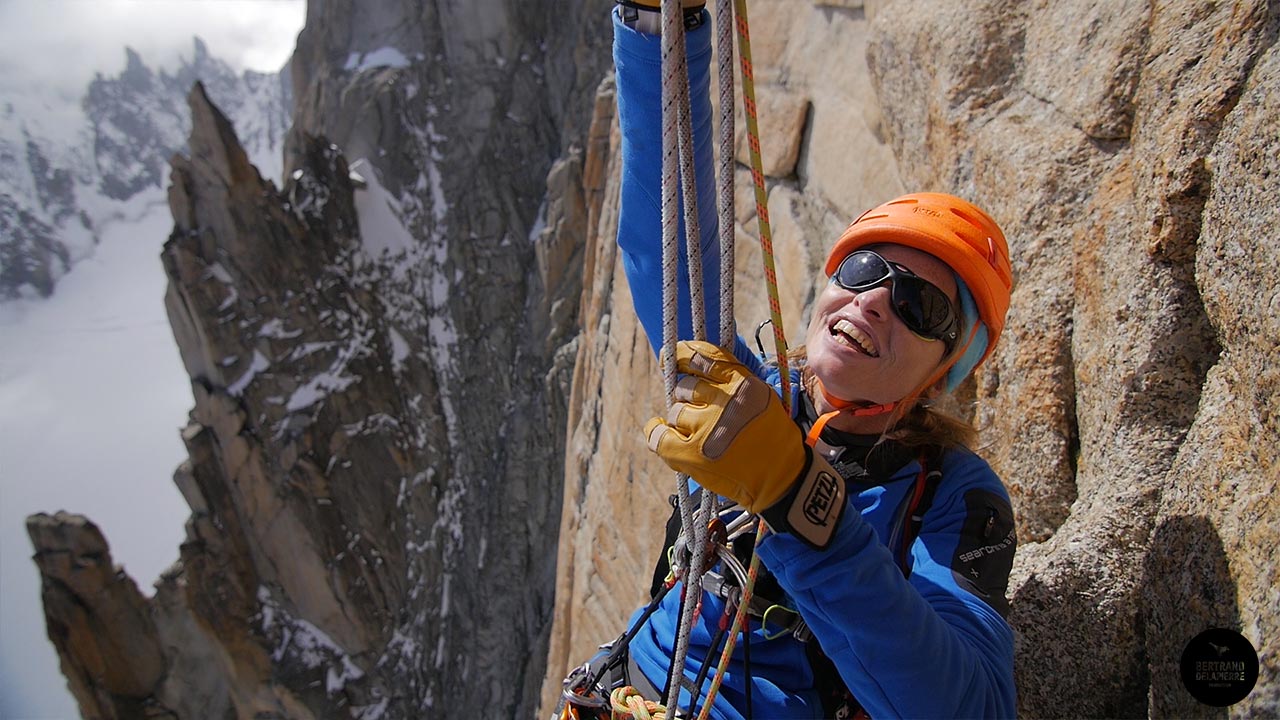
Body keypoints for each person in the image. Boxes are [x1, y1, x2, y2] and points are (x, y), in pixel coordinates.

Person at [566, 2, 1019, 718]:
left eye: (920, 308)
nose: (874, 303)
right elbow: (673, 261)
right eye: (865, 269)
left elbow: (970, 705)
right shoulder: (756, 396)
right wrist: (661, 28)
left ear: (942, 373)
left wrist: (799, 503)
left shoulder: (953, 498)